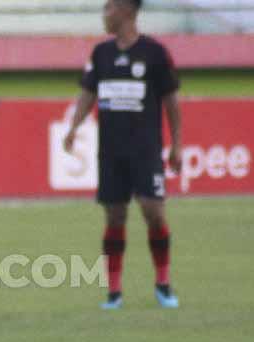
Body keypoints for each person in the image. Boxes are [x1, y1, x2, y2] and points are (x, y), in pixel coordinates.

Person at [63, 0, 182, 310]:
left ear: (127, 10)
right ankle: (114, 293)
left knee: (153, 211)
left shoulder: (155, 53)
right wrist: (74, 127)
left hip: (146, 151)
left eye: (109, 8)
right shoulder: (100, 54)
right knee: (114, 215)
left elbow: (171, 101)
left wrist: (177, 145)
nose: (105, 14)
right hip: (111, 152)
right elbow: (88, 92)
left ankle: (163, 283)